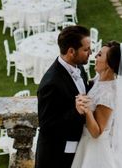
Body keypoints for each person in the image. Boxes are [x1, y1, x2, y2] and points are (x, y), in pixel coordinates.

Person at [35, 25, 92, 168]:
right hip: (56, 157)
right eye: (86, 49)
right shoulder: (51, 83)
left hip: (77, 150)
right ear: (71, 51)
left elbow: (81, 89)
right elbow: (47, 126)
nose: (90, 52)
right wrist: (75, 111)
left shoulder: (79, 67)